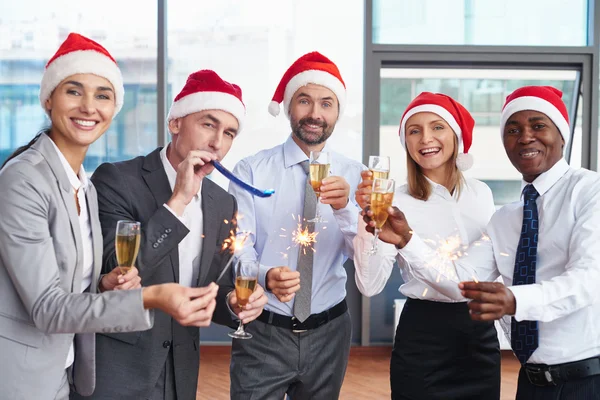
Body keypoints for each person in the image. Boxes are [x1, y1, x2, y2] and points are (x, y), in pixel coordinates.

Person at [0, 33, 220, 400]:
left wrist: (104, 284)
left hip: (65, 371)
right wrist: (153, 296)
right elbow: (47, 307)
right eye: (74, 90)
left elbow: (73, 288)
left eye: (102, 95)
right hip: (20, 378)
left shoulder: (83, 185)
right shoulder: (23, 179)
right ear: (49, 98)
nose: (89, 106)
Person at [369, 86, 600, 399]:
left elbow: (589, 278)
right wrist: (407, 241)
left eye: (538, 125)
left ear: (562, 134)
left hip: (588, 379)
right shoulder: (505, 218)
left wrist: (515, 300)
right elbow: (462, 282)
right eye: (513, 130)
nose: (525, 137)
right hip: (531, 381)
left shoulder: (590, 191)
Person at [73, 70, 268, 400]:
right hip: (118, 371)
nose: (217, 142)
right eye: (208, 124)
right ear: (175, 123)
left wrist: (234, 304)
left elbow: (211, 289)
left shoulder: (223, 202)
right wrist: (177, 201)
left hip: (181, 373)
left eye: (229, 133)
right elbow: (117, 272)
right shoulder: (116, 180)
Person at [228, 51, 364, 399]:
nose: (315, 113)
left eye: (326, 104)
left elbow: (366, 258)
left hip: (330, 331)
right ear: (289, 107)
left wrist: (346, 208)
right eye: (304, 101)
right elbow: (238, 245)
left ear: (337, 112)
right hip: (263, 330)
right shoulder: (251, 170)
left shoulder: (356, 176)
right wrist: (262, 275)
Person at [354, 92, 500, 400]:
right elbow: (369, 285)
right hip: (423, 337)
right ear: (406, 142)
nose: (425, 138)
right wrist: (366, 222)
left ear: (455, 135)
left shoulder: (482, 194)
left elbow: (483, 273)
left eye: (437, 127)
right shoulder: (394, 202)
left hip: (479, 336)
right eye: (414, 130)